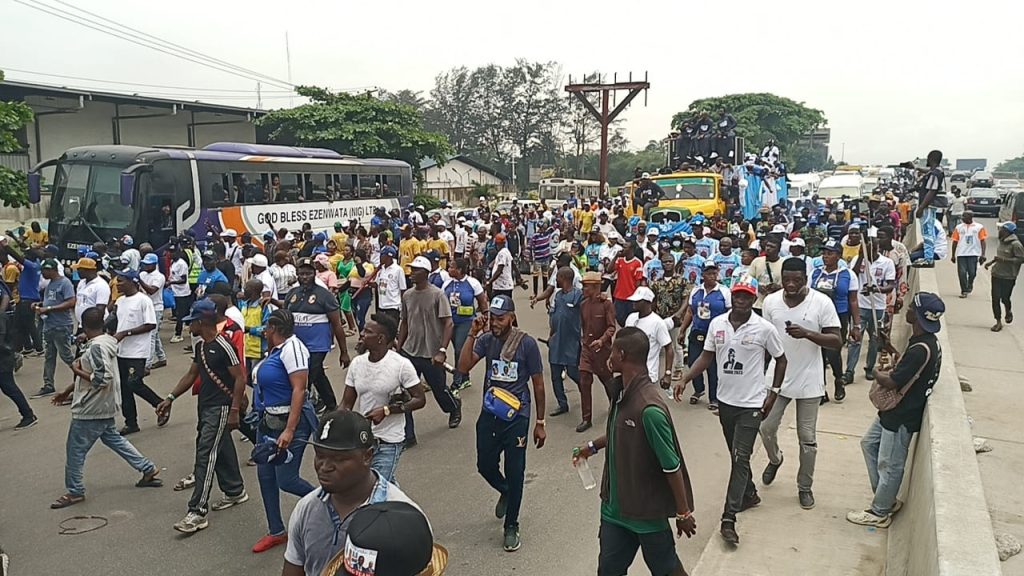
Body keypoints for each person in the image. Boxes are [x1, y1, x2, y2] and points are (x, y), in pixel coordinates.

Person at [673, 274, 787, 545]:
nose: (742, 300)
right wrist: (686, 378)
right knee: (736, 455)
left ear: (753, 298)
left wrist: (773, 394)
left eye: (747, 296)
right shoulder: (717, 324)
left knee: (739, 459)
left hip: (751, 405)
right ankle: (749, 493)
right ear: (732, 296)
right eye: (738, 295)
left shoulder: (764, 328)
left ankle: (729, 518)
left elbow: (781, 360)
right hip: (725, 403)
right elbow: (706, 356)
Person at [573, 327, 696, 576]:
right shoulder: (621, 392)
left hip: (645, 515)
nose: (609, 355)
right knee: (608, 570)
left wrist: (683, 513)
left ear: (622, 354)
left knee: (667, 570)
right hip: (614, 512)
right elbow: (623, 432)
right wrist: (591, 447)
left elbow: (671, 466)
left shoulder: (649, 408)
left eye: (612, 350)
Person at [282, 411, 425, 576]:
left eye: (339, 459)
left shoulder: (405, 520)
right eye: (320, 455)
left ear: (367, 456)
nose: (325, 466)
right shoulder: (306, 509)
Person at [457, 294, 547, 552]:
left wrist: (540, 421)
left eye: (500, 318)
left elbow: (538, 385)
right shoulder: (486, 340)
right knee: (484, 464)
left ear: (512, 318)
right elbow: (463, 367)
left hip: (517, 417)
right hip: (491, 413)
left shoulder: (527, 344)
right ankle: (505, 490)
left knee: (516, 471)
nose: (494, 323)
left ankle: (511, 525)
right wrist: (472, 334)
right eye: (491, 318)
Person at [846, 293, 944, 528]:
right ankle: (886, 497)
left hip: (901, 415)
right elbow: (908, 368)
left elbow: (893, 382)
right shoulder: (926, 342)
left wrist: (879, 373)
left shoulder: (921, 348)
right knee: (868, 445)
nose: (906, 309)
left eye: (911, 307)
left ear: (917, 316)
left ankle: (880, 511)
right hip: (893, 413)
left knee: (890, 464)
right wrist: (888, 346)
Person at [49, 307, 162, 508]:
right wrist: (68, 390)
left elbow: (102, 378)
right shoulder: (107, 341)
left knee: (75, 451)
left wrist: (76, 370)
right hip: (105, 404)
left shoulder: (96, 348)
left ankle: (75, 491)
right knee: (114, 439)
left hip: (92, 407)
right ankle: (147, 468)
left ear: (83, 325)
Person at [157, 299, 248, 534]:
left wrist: (235, 410)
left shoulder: (224, 345)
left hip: (220, 407)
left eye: (191, 323)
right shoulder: (201, 346)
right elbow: (191, 375)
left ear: (201, 321)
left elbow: (240, 377)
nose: (188, 327)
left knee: (205, 455)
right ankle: (235, 490)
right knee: (222, 447)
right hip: (206, 406)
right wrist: (170, 398)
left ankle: (197, 511)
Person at [760, 258, 843, 510]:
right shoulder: (770, 302)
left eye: (797, 279)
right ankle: (775, 460)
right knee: (765, 427)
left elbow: (836, 341)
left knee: (806, 438)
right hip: (777, 378)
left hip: (809, 379)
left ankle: (804, 487)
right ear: (781, 278)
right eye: (787, 279)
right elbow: (765, 340)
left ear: (806, 279)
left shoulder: (821, 302)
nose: (791, 284)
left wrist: (807, 333)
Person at [250, 309, 319, 553]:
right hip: (267, 422)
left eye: (266, 328)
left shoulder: (294, 349)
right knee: (265, 475)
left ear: (275, 329)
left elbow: (299, 390)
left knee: (287, 480)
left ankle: (327, 504)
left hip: (290, 422)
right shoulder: (276, 349)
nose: (263, 331)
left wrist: (290, 430)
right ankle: (276, 531)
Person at [342, 313, 426, 482]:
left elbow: (420, 399)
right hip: (364, 439)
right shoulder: (357, 364)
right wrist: (335, 427)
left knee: (373, 487)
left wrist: (388, 410)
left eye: (367, 332)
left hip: (390, 440)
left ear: (380, 338)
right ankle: (405, 507)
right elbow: (346, 403)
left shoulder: (401, 365)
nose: (362, 334)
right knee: (385, 487)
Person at [274, 257, 351, 412]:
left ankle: (300, 410)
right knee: (318, 375)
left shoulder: (324, 295)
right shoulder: (292, 293)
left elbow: (336, 324)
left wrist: (344, 352)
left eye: (308, 274)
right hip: (297, 345)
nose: (304, 277)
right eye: (301, 274)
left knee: (306, 377)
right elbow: (286, 312)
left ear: (314, 274)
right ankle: (331, 405)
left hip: (318, 345)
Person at [397, 255, 460, 441]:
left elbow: (448, 323)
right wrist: (399, 348)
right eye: (411, 269)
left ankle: (454, 408)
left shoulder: (437, 294)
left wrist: (442, 350)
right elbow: (405, 323)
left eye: (416, 270)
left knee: (439, 390)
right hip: (410, 351)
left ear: (425, 273)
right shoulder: (407, 295)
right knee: (407, 393)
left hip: (432, 353)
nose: (411, 273)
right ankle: (408, 436)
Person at [112, 269, 163, 435]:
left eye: (120, 281)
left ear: (132, 282)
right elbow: (114, 321)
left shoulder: (143, 300)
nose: (117, 284)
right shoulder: (120, 301)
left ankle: (160, 404)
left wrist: (126, 333)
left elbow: (150, 325)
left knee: (134, 383)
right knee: (125, 388)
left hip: (137, 351)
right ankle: (131, 422)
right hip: (122, 351)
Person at [810, 240, 861, 403]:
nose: (825, 256)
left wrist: (856, 325)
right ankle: (821, 389)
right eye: (824, 253)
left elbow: (853, 300)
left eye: (830, 253)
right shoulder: (815, 273)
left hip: (838, 318)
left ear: (838, 256)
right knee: (818, 355)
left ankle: (838, 379)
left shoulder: (848, 275)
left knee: (833, 353)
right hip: (817, 318)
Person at [677, 260, 731, 410]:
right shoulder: (696, 291)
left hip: (715, 334)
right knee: (693, 362)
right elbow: (690, 311)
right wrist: (682, 330)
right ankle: (698, 389)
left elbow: (729, 313)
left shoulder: (724, 292)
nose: (713, 276)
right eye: (709, 273)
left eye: (715, 273)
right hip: (697, 332)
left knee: (712, 366)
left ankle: (714, 397)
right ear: (703, 275)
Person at [846, 237, 895, 384]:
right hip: (860, 307)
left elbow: (890, 285)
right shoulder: (857, 259)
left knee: (874, 339)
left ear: (878, 248)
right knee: (855, 339)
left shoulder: (887, 263)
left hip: (877, 307)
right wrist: (861, 256)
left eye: (873, 249)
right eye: (868, 249)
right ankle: (849, 371)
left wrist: (875, 289)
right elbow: (852, 276)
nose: (871, 252)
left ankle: (870, 368)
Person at [442, 258, 488, 393]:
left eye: (452, 267)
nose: (449, 270)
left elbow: (483, 303)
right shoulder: (446, 284)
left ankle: (456, 382)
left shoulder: (473, 283)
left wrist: (485, 322)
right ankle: (465, 377)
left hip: (466, 322)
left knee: (459, 350)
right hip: (450, 322)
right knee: (457, 349)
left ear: (460, 270)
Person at [579, 271, 616, 432]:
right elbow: (583, 326)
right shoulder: (583, 305)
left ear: (595, 287)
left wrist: (601, 340)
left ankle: (615, 408)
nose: (583, 289)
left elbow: (611, 327)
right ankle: (586, 418)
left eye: (586, 286)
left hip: (603, 350)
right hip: (587, 349)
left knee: (608, 381)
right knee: (584, 380)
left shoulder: (606, 304)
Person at [34, 259, 76, 398]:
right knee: (49, 356)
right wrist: (40, 305)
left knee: (67, 356)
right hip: (49, 325)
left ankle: (82, 378)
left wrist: (49, 308)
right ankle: (48, 385)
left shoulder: (65, 283)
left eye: (45, 271)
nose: (43, 274)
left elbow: (71, 302)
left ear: (52, 270)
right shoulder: (50, 284)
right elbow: (51, 301)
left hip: (61, 325)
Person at [547, 267, 583, 424]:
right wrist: (551, 336)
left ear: (565, 278)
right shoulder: (558, 296)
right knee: (555, 376)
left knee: (574, 373)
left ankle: (585, 395)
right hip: (556, 342)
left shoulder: (577, 295)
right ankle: (562, 404)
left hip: (571, 342)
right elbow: (554, 317)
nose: (555, 280)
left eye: (558, 277)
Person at [0, 276, 35, 430]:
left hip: (3, 357)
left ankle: (28, 414)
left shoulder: (1, 317)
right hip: (5, 355)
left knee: (8, 386)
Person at [624, 287, 674, 390]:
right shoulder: (630, 318)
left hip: (648, 376)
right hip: (629, 373)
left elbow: (669, 348)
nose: (634, 302)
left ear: (647, 302)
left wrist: (667, 374)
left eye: (638, 301)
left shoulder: (657, 323)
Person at [985, 221, 1024, 332]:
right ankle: (998, 321)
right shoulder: (1002, 241)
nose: (999, 231)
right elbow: (999, 256)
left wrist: (1004, 260)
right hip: (996, 273)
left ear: (1007, 232)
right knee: (995, 298)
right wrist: (991, 262)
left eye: (1001, 229)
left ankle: (1008, 310)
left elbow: (1020, 259)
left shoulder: (1016, 245)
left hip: (1009, 276)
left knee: (1005, 298)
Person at [910, 151, 946, 268]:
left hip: (928, 206)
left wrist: (921, 207)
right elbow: (928, 171)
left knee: (927, 232)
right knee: (927, 231)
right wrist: (915, 167)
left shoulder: (935, 174)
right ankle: (928, 257)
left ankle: (928, 259)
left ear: (931, 159)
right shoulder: (937, 171)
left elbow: (931, 191)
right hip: (930, 206)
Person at [138, 253, 168, 370]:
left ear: (154, 264)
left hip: (156, 308)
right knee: (154, 335)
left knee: (150, 336)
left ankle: (147, 365)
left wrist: (139, 280)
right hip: (145, 307)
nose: (145, 266)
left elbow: (151, 290)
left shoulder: (159, 276)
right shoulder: (143, 274)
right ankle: (161, 358)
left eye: (148, 264)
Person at [950, 210, 988, 298]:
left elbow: (983, 241)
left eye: (964, 216)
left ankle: (970, 283)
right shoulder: (959, 227)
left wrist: (983, 254)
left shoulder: (979, 227)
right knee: (962, 273)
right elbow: (955, 241)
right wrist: (953, 255)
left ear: (970, 217)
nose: (962, 218)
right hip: (961, 254)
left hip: (973, 254)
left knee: (972, 273)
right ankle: (964, 290)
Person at [748, 235, 784, 314]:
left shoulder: (784, 263)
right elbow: (748, 279)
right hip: (757, 305)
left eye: (772, 247)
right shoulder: (757, 261)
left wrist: (777, 288)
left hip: (775, 305)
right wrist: (757, 287)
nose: (768, 248)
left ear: (778, 250)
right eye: (767, 246)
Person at [611, 246, 644, 327]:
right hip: (619, 296)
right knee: (619, 319)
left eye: (625, 247)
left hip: (631, 298)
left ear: (631, 249)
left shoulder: (637, 262)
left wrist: (637, 297)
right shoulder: (620, 260)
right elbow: (609, 269)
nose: (623, 249)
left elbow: (638, 282)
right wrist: (616, 256)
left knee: (631, 321)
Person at [374, 246, 405, 325]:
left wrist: (402, 307)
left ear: (389, 256)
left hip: (393, 307)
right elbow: (376, 284)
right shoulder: (381, 269)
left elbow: (403, 289)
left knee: (390, 333)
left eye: (382, 255)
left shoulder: (398, 270)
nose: (380, 257)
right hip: (381, 306)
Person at [487, 233, 514, 298]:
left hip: (501, 287)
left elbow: (499, 271)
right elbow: (513, 264)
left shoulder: (502, 253)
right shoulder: (506, 251)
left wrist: (489, 282)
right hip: (506, 286)